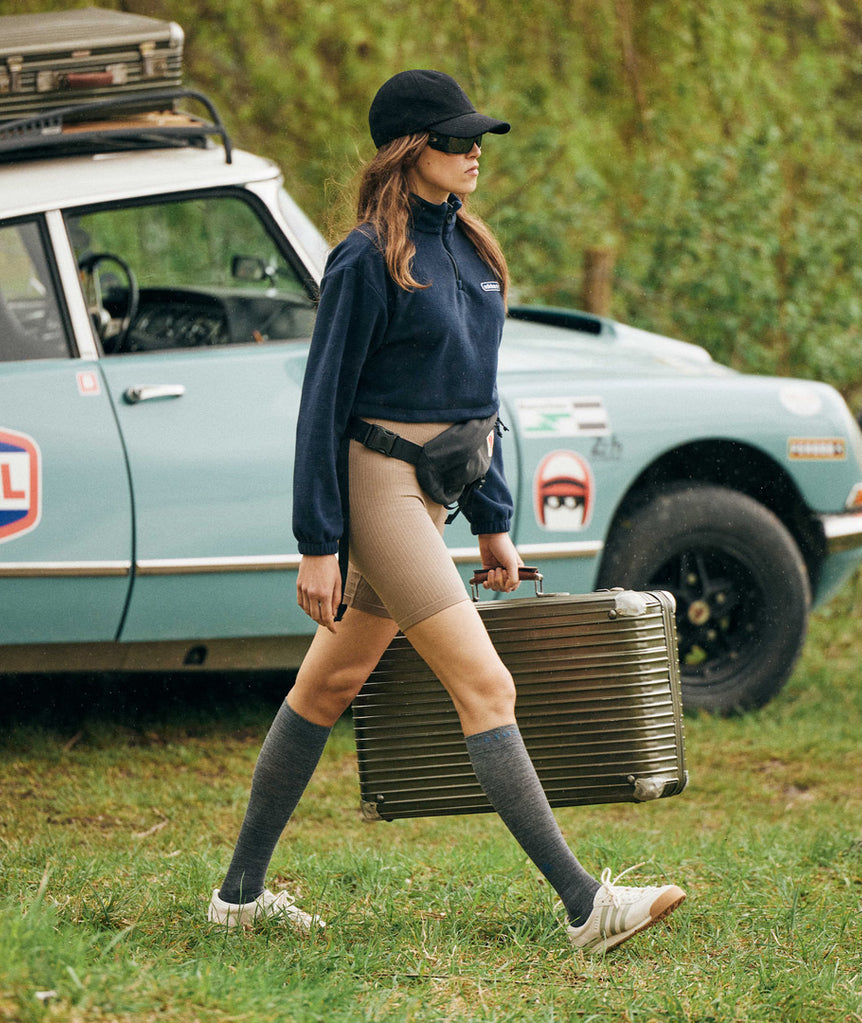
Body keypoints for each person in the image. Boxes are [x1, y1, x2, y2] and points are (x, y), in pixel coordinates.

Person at [207, 69, 685, 953]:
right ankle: (586, 905)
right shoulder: (365, 257)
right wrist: (319, 543)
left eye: (478, 141)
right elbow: (323, 404)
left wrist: (493, 519)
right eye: (457, 140)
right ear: (408, 149)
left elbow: (479, 397)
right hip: (376, 486)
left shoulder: (472, 249)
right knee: (485, 682)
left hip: (434, 494)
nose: (474, 154)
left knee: (330, 682)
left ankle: (238, 894)